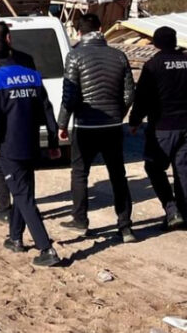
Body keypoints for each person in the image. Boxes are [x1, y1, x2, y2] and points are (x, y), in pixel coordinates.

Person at [57, 13, 137, 243]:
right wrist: (117, 114)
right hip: (112, 126)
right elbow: (129, 93)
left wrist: (63, 123)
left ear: (79, 33)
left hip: (85, 125)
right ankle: (125, 227)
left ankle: (80, 219)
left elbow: (69, 95)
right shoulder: (119, 55)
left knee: (80, 173)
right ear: (101, 28)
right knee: (118, 175)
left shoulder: (74, 56)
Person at [0, 39, 62, 266]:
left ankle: (46, 249)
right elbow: (48, 110)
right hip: (31, 143)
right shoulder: (33, 76)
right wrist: (53, 141)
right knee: (23, 191)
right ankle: (15, 237)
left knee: (24, 196)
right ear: (10, 52)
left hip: (9, 146)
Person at [129, 26, 187, 229]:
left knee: (154, 167)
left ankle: (172, 211)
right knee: (183, 171)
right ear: (175, 42)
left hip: (163, 128)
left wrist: (135, 120)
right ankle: (183, 214)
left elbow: (143, 97)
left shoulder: (153, 65)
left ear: (155, 43)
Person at [0, 21, 37, 223]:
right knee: (26, 169)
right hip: (26, 122)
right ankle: (28, 204)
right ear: (9, 38)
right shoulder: (26, 59)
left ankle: (5, 208)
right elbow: (37, 94)